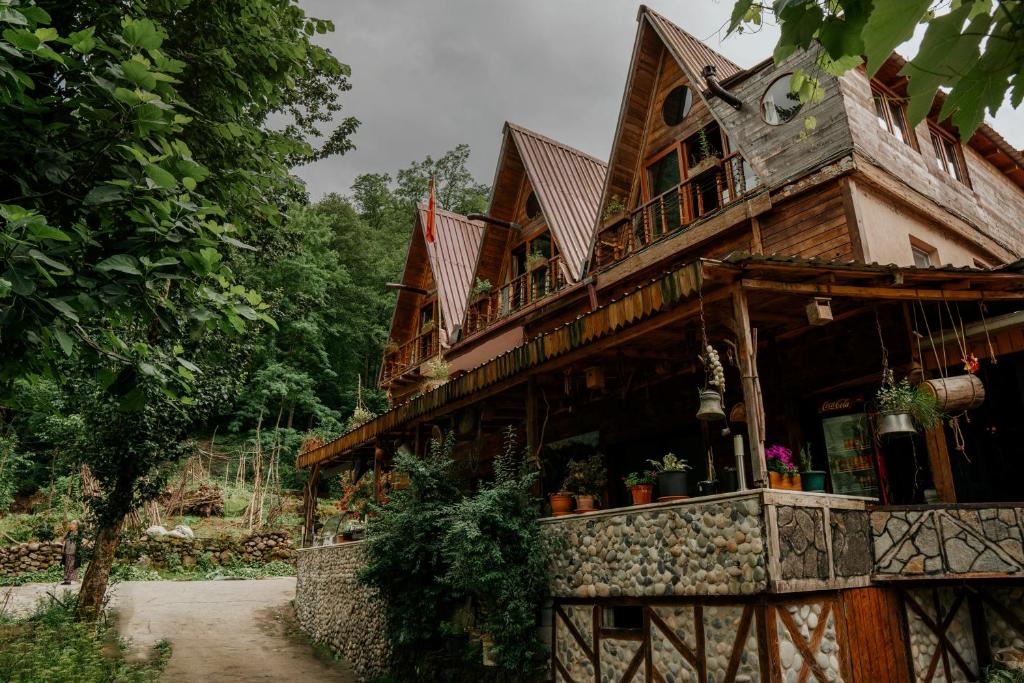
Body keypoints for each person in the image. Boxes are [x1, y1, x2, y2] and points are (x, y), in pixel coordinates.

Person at [62, 520, 81, 585]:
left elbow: (87, 539)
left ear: (77, 526)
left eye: (72, 524)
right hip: (67, 552)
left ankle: (69, 580)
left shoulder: (79, 533)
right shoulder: (69, 533)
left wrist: (82, 545)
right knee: (66, 566)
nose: (71, 525)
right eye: (71, 524)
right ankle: (66, 580)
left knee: (71, 566)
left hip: (74, 553)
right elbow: (63, 539)